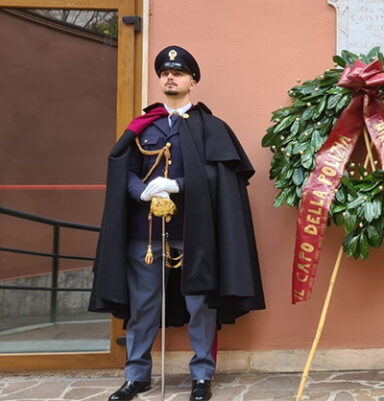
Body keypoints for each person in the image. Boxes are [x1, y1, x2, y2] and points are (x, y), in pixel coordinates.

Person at [89, 45, 265, 401]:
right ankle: (136, 376)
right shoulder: (144, 127)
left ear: (192, 81)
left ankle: (201, 376)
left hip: (196, 233)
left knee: (201, 306)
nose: (171, 77)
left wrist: (178, 185)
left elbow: (223, 179)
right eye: (166, 73)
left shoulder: (212, 128)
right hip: (147, 233)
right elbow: (125, 169)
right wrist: (141, 192)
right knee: (143, 307)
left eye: (179, 73)